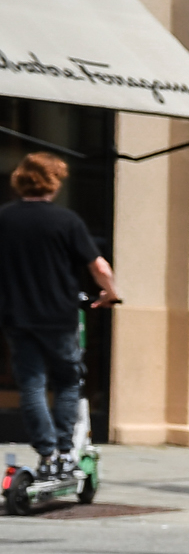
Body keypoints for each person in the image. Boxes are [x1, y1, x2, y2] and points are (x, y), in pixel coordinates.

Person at [0, 153, 116, 477]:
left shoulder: (5, 218)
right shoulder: (66, 221)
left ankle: (46, 453)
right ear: (53, 183)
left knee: (32, 386)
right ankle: (66, 452)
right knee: (67, 381)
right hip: (58, 317)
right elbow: (99, 266)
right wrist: (110, 294)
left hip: (17, 318)